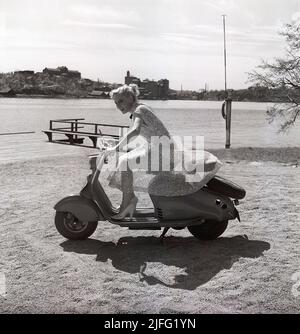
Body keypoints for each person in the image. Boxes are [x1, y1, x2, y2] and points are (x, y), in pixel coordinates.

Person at [104, 84, 221, 220]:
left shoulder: (139, 109)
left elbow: (135, 131)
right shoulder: (141, 108)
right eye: (116, 103)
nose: (118, 106)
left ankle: (129, 201)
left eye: (121, 101)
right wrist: (117, 145)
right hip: (159, 149)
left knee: (125, 161)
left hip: (162, 152)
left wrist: (117, 147)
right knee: (126, 160)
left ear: (130, 97)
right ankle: (130, 199)